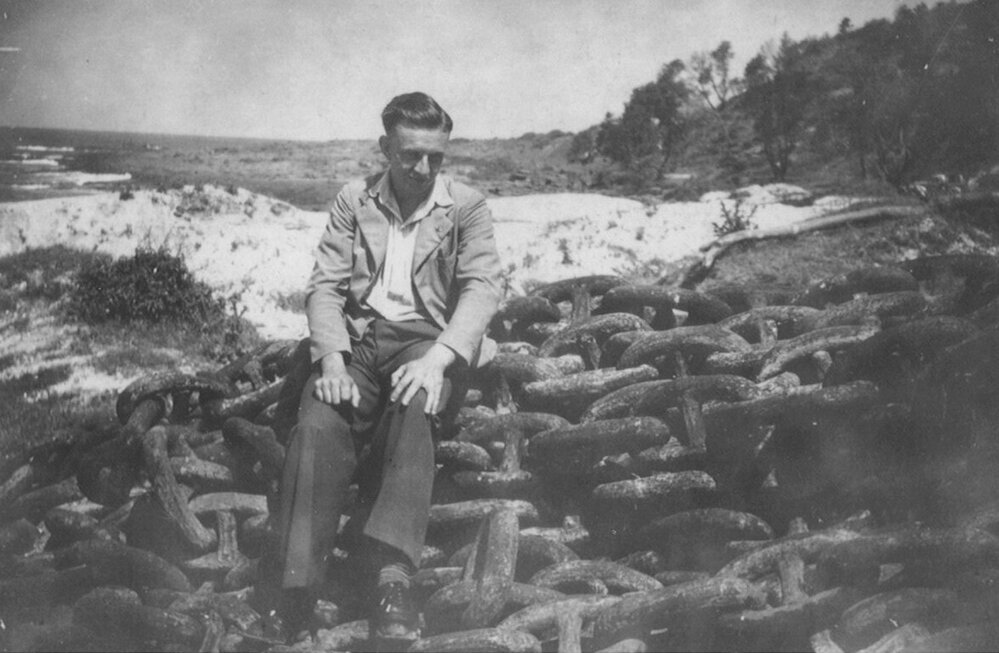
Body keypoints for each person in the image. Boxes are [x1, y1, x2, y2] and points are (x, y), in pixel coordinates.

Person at [265, 92, 502, 642]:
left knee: (416, 409)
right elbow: (324, 285)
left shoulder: (465, 206)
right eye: (411, 155)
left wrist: (441, 358)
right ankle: (296, 586)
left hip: (425, 341)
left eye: (435, 158)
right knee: (318, 424)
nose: (423, 169)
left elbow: (483, 286)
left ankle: (392, 580)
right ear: (385, 148)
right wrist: (331, 360)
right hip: (359, 340)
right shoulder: (355, 199)